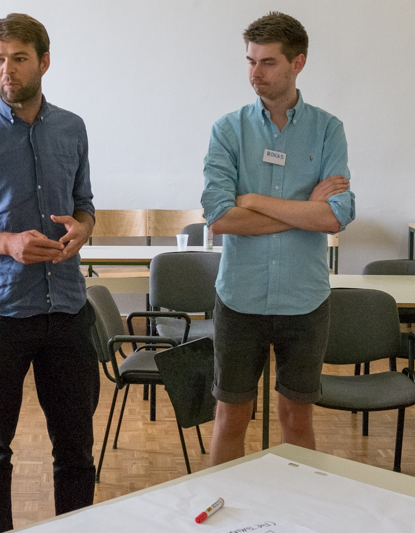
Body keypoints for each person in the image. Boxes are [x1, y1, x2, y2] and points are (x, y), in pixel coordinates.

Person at [0, 14, 99, 533]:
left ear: (44, 62)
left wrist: (84, 227)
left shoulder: (72, 128)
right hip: (1, 310)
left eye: (19, 58)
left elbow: (85, 203)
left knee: (76, 448)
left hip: (67, 306)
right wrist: (7, 243)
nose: (6, 70)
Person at [201, 12, 356, 466]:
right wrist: (304, 210)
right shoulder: (228, 130)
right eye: (250, 61)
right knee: (230, 417)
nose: (255, 73)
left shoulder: (327, 129)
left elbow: (336, 216)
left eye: (267, 62)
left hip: (304, 300)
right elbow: (219, 218)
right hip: (240, 297)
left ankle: (296, 504)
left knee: (297, 418)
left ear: (297, 63)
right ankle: (225, 503)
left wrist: (253, 200)